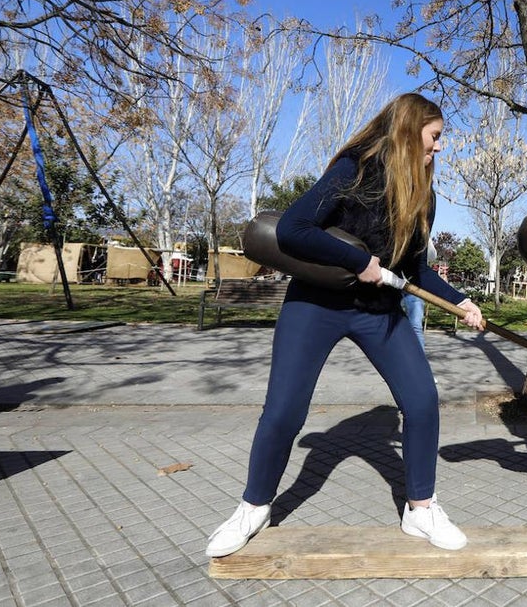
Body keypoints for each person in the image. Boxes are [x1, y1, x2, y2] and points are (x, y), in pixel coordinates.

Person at [205, 93, 486, 558]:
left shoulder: (424, 195)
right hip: (315, 305)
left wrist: (462, 301)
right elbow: (293, 227)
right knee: (284, 412)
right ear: (409, 129)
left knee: (421, 401)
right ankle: (254, 507)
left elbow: (415, 268)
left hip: (377, 313)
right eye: (435, 137)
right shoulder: (353, 170)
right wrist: (359, 260)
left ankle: (420, 509)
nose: (439, 148)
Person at [402, 238, 437, 349]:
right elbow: (432, 256)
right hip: (402, 282)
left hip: (412, 284)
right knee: (414, 325)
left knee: (415, 325)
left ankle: (418, 358)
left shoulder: (420, 233)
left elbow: (432, 255)